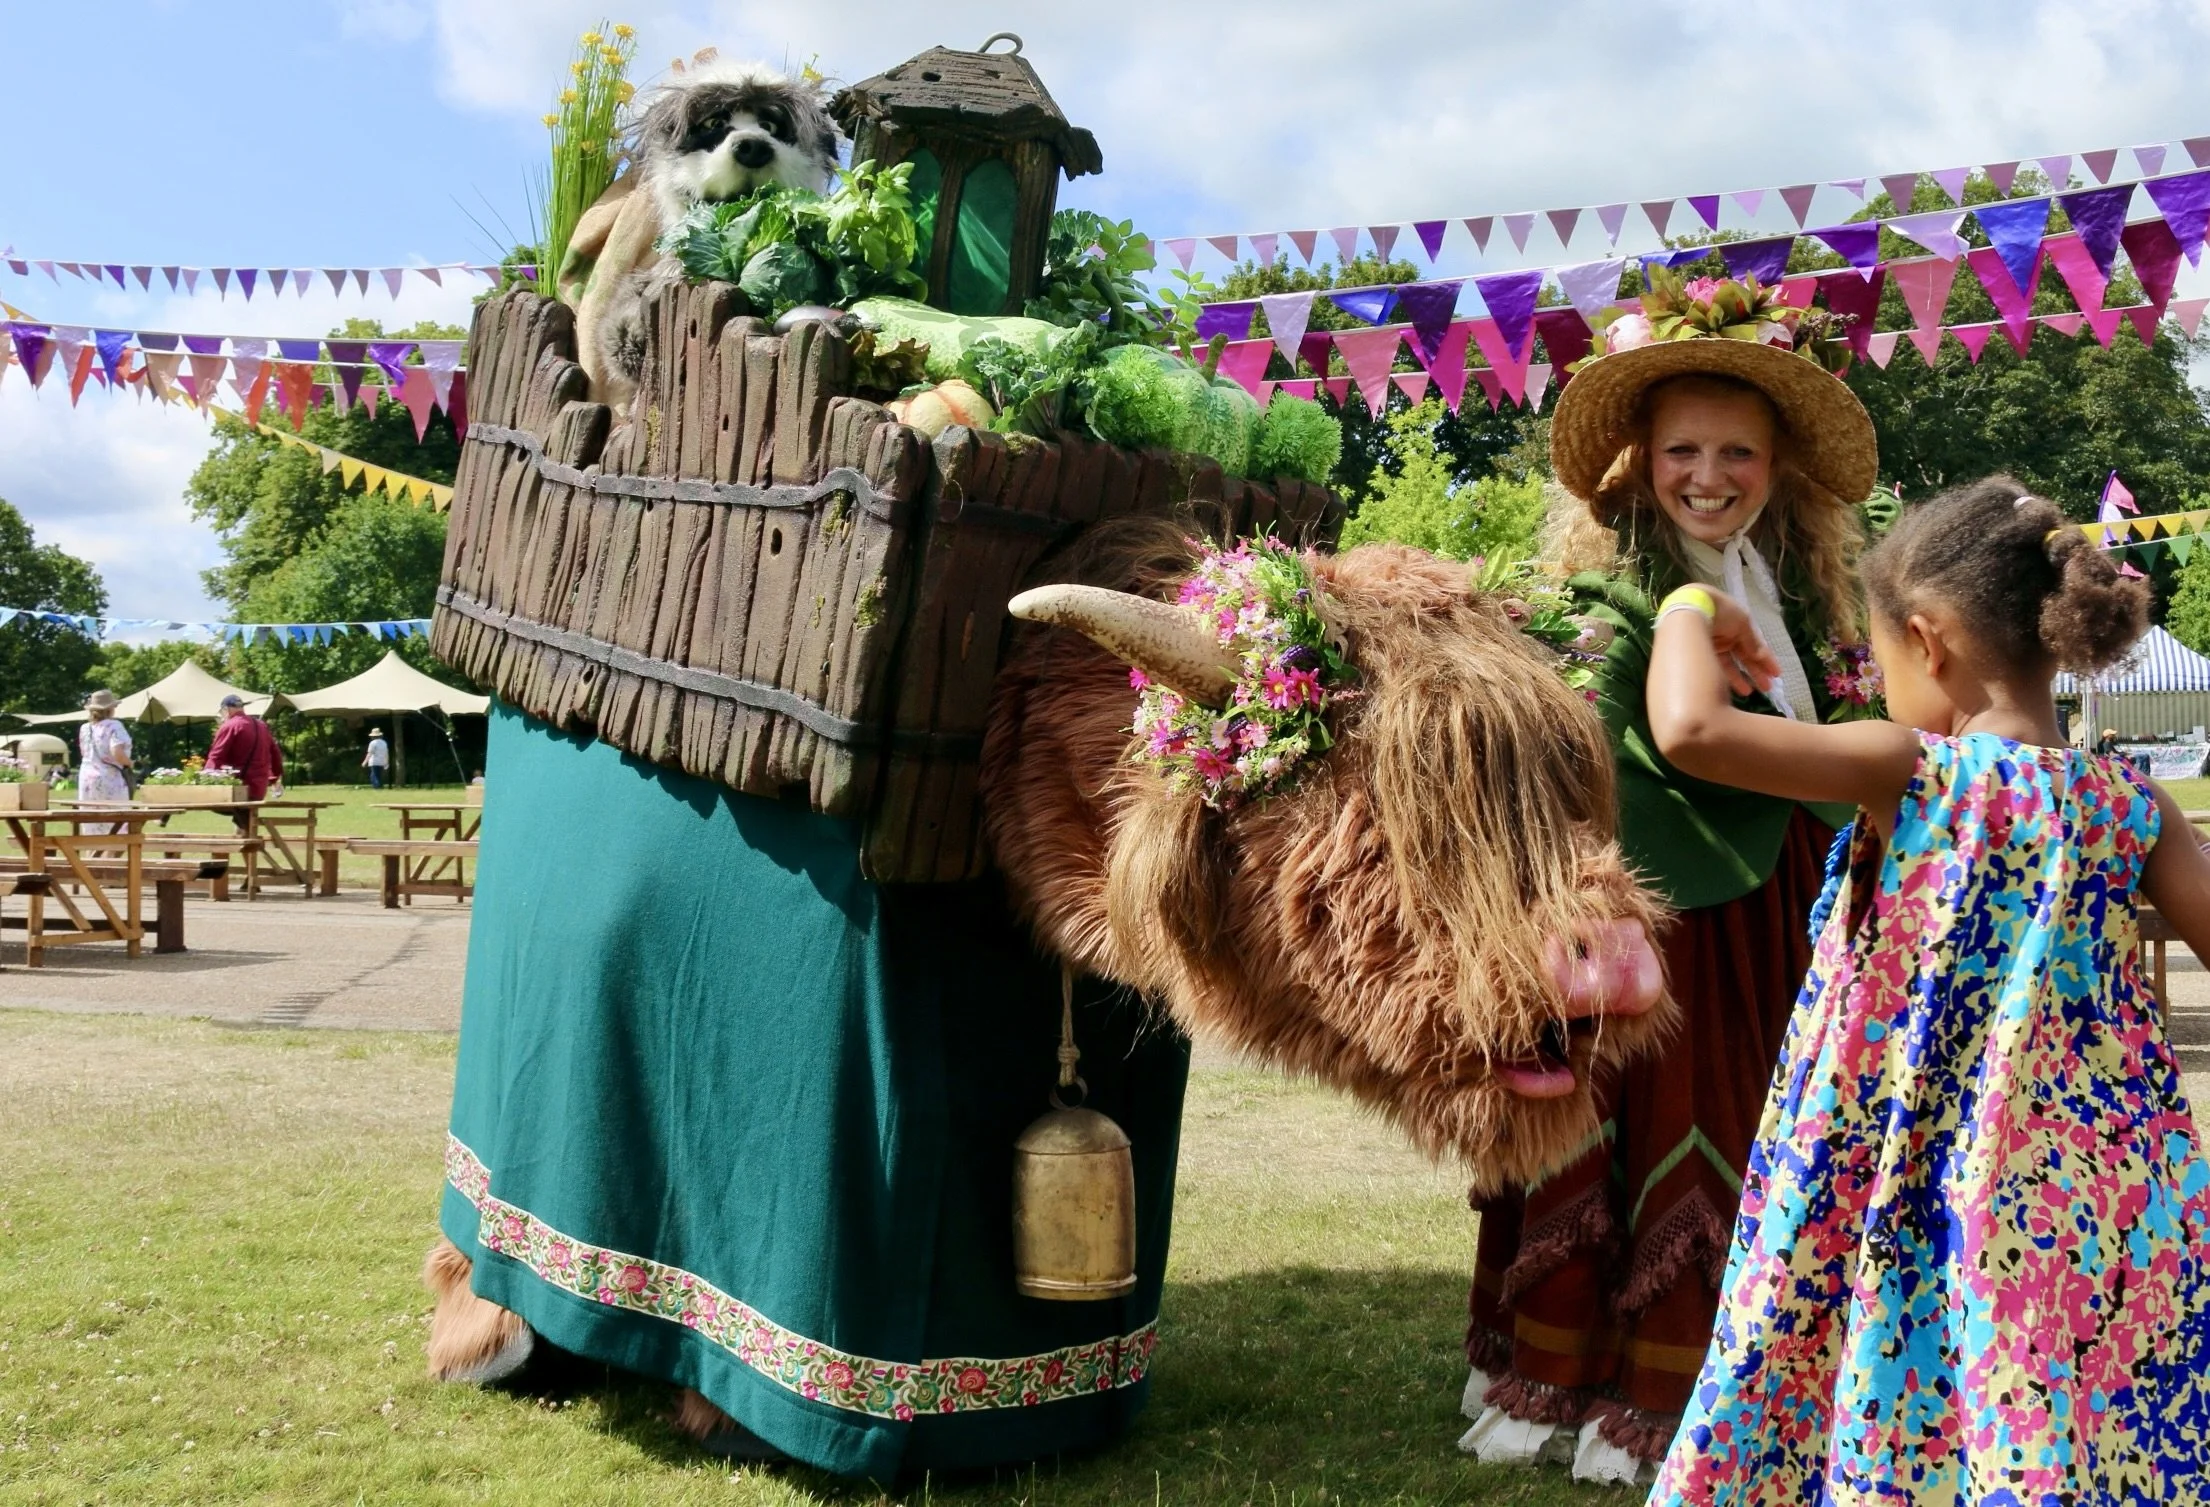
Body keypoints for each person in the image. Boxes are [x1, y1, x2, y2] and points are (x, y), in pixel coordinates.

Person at [1642, 478, 2210, 1502]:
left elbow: (1686, 730)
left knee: (1909, 1384)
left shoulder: (1907, 765)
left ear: (1925, 640)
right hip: (2101, 1190)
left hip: (1913, 1162)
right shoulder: (2134, 802)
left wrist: (1689, 606)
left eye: (1879, 657)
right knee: (2059, 1418)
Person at [1461, 274, 1879, 1481]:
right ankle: (1636, 1386)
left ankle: (1782, 1362)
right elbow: (1621, 756)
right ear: (1635, 462)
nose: (1708, 475)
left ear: (1776, 463)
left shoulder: (1802, 592)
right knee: (1676, 1132)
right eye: (1682, 449)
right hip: (1664, 911)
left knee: (1776, 1135)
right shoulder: (1601, 601)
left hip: (1789, 902)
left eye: (1736, 450)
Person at [205, 693, 284, 833]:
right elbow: (276, 753)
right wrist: (275, 778)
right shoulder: (262, 726)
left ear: (226, 709)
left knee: (193, 799)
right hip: (258, 791)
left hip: (238, 793)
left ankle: (161, 815)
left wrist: (205, 780)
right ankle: (242, 829)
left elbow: (216, 756)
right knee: (245, 828)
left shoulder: (230, 725)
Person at [76, 689, 134, 833]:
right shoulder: (114, 726)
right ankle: (110, 855)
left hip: (87, 778)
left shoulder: (85, 728)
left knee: (92, 823)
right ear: (110, 709)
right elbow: (116, 752)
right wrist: (129, 763)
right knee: (117, 822)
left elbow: (84, 752)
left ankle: (92, 855)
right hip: (109, 777)